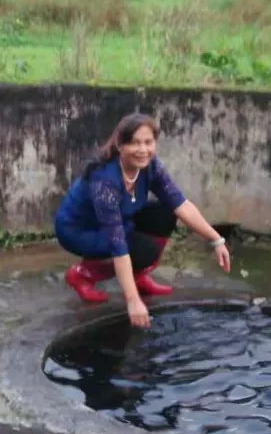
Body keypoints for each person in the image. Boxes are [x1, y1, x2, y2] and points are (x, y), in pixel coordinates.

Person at [54, 113, 231, 328]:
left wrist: (216, 240)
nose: (143, 150)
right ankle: (83, 275)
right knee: (142, 250)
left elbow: (180, 204)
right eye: (134, 143)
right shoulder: (105, 181)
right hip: (79, 230)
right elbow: (118, 245)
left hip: (121, 218)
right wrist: (133, 301)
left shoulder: (150, 166)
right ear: (120, 144)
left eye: (148, 142)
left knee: (165, 213)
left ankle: (138, 277)